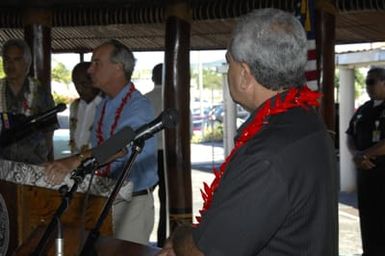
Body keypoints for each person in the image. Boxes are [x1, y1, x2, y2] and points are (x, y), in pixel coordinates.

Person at [158, 8, 338, 256]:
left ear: (244, 74)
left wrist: (179, 235)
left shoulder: (266, 155)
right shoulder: (307, 120)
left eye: (228, 62)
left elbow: (204, 252)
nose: (227, 71)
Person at [43, 40, 158, 245]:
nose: (89, 69)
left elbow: (119, 147)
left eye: (97, 63)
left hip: (130, 204)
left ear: (117, 68)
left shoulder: (138, 106)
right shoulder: (104, 104)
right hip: (103, 199)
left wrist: (73, 162)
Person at [346, 67, 385, 256]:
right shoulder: (363, 109)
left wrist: (365, 154)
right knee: (368, 221)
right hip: (366, 179)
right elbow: (350, 135)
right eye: (366, 82)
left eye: (372, 82)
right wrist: (356, 154)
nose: (367, 86)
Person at [0, 39, 56, 164]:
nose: (10, 65)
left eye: (17, 59)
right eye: (7, 60)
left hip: (33, 164)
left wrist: (42, 157)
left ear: (27, 62)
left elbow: (49, 130)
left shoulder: (41, 93)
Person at [145, 63, 167, 246]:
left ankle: (140, 236)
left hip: (149, 155)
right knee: (167, 203)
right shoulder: (175, 98)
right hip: (168, 157)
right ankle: (162, 241)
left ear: (153, 78)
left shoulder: (145, 100)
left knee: (143, 198)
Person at [69, 61, 102, 154]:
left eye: (84, 84)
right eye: (76, 84)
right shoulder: (75, 106)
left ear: (95, 81)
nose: (79, 89)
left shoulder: (106, 105)